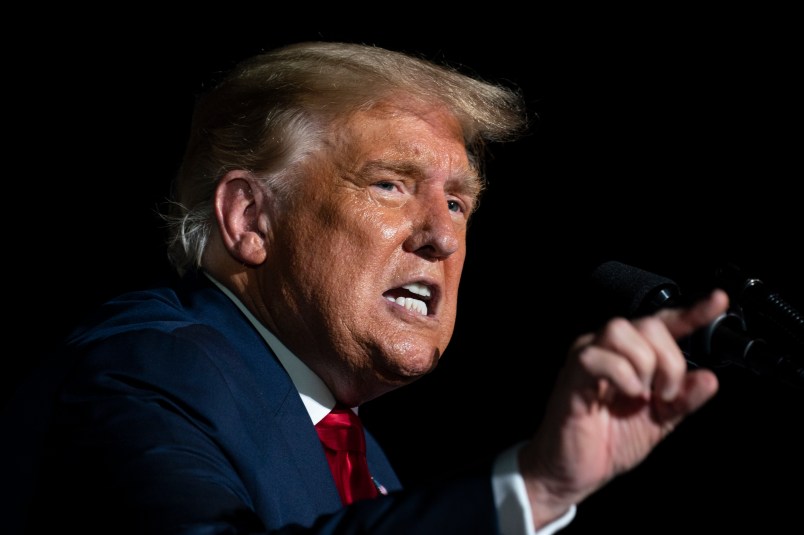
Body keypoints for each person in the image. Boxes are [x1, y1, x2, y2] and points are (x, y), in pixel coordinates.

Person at [1, 41, 729, 534]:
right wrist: (530, 487)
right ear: (251, 217)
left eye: (458, 202)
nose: (441, 236)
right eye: (389, 184)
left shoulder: (360, 454)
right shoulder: (147, 369)